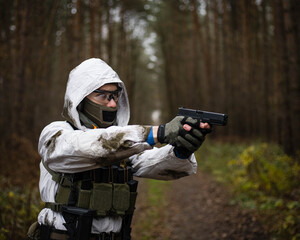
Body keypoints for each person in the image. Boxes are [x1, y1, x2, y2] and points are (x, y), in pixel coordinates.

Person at [27, 58, 210, 240]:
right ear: (81, 98)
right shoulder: (55, 133)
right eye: (103, 96)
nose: (113, 104)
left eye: (115, 96)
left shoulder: (123, 148)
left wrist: (181, 150)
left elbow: (153, 163)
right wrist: (158, 132)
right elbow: (88, 147)